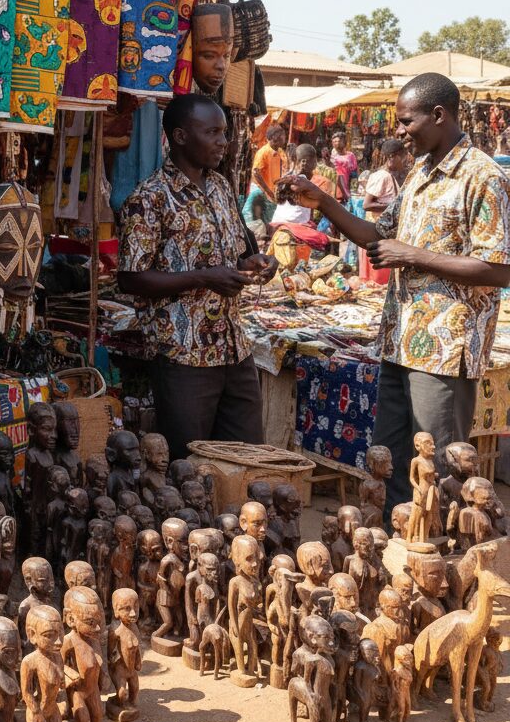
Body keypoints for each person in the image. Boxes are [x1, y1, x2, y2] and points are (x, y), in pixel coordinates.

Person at [279, 73, 510, 515]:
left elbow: (498, 268)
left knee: (437, 470)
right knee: (390, 465)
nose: (399, 131)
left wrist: (413, 256)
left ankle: (436, 563)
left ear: (438, 115)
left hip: (444, 352)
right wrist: (323, 201)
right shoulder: (421, 172)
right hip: (398, 342)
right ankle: (392, 559)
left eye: (407, 121)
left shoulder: (482, 176)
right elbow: (377, 237)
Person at [119, 95, 278, 461]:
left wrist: (256, 262)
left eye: (225, 133)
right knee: (189, 465)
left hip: (234, 350)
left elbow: (234, 255)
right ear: (180, 136)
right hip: (183, 355)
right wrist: (203, 278)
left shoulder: (221, 187)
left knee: (245, 458)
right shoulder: (150, 199)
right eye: (213, 133)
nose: (224, 142)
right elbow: (131, 278)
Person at [358, 139, 410, 285]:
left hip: (381, 230)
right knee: (378, 280)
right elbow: (367, 204)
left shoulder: (389, 176)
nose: (405, 161)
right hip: (377, 229)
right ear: (392, 157)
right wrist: (393, 205)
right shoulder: (383, 176)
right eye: (403, 157)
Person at [245, 123, 288, 223]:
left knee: (268, 223)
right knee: (256, 223)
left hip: (272, 194)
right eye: (282, 135)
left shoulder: (280, 152)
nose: (284, 138)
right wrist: (268, 191)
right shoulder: (263, 152)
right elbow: (256, 172)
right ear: (274, 137)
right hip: (261, 193)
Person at [330, 129, 358, 201]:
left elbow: (354, 174)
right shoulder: (330, 156)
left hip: (346, 188)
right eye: (334, 141)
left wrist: (353, 190)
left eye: (339, 141)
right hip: (333, 188)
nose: (336, 143)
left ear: (344, 142)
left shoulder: (350, 156)